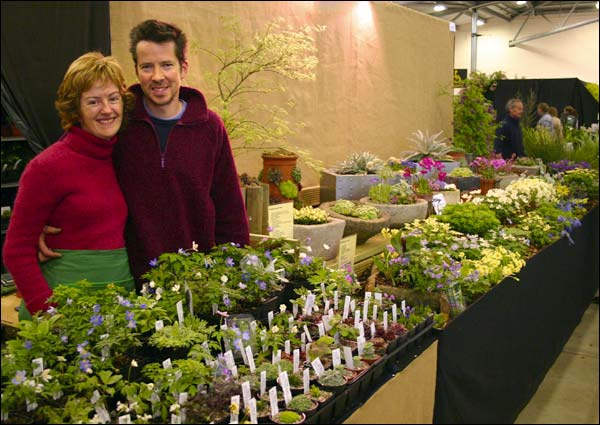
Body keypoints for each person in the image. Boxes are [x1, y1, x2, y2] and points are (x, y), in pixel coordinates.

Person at [39, 20, 250, 287]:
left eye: (166, 65)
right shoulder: (116, 121)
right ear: (136, 70)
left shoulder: (209, 127)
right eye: (147, 66)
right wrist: (40, 221)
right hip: (131, 276)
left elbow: (228, 205)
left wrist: (236, 272)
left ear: (183, 67)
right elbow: (67, 161)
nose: (157, 76)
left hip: (198, 277)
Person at [3, 52, 136, 320]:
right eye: (93, 101)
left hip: (118, 304)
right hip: (63, 309)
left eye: (113, 98)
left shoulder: (124, 157)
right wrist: (48, 313)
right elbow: (16, 250)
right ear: (75, 109)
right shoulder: (48, 167)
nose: (107, 109)